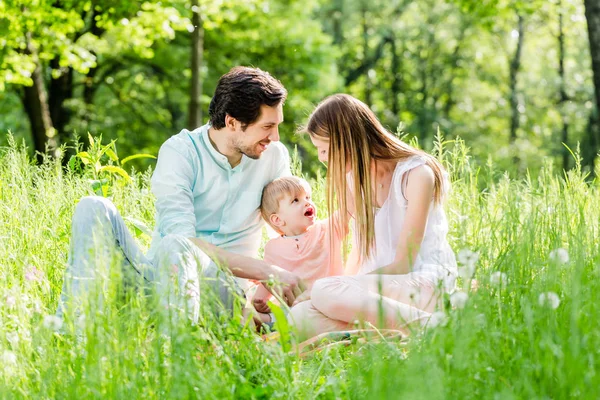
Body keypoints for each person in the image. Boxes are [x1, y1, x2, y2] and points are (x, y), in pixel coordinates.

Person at [56, 66, 304, 326]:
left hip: (223, 291)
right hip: (162, 281)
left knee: (179, 245)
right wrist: (267, 272)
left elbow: (290, 228)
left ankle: (178, 350)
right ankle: (70, 330)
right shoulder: (180, 152)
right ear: (232, 122)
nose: (274, 137)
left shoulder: (273, 155)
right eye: (267, 126)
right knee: (94, 207)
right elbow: (183, 241)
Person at [289, 94, 457, 338]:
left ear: (348, 140)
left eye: (324, 149)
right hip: (383, 292)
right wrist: (344, 290)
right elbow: (359, 256)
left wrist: (336, 289)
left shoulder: (416, 174)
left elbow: (404, 263)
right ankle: (398, 329)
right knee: (298, 318)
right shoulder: (353, 180)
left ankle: (436, 328)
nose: (322, 158)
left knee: (325, 290)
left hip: (422, 283)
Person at [249, 176, 347, 326]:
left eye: (308, 197)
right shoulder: (273, 248)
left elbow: (349, 208)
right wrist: (260, 302)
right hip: (296, 308)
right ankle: (275, 322)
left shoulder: (327, 229)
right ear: (277, 220)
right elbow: (269, 279)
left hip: (330, 299)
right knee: (249, 313)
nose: (307, 202)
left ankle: (282, 324)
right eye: (296, 200)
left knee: (303, 317)